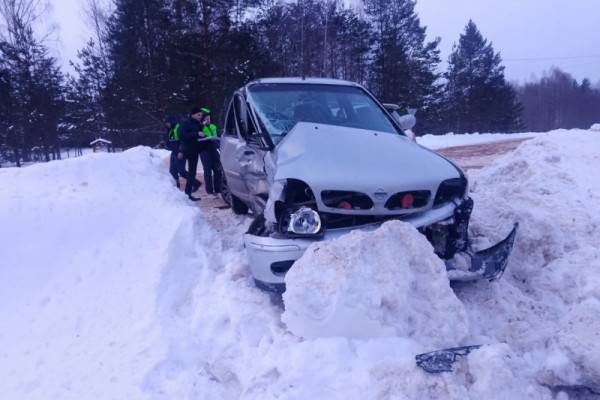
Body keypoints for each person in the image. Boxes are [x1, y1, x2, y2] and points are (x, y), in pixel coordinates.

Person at [165, 115, 200, 190]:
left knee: (182, 171)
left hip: (180, 152)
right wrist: (164, 144)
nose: (167, 125)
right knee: (172, 171)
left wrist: (181, 151)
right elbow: (171, 141)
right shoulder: (171, 129)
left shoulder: (179, 128)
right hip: (174, 152)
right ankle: (175, 187)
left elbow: (183, 141)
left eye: (168, 123)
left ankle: (196, 183)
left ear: (172, 121)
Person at [179, 107, 205, 201]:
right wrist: (196, 134)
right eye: (199, 115)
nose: (200, 116)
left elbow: (198, 135)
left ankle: (188, 194)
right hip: (186, 150)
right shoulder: (187, 123)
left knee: (192, 172)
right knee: (182, 170)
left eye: (201, 115)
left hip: (195, 150)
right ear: (193, 114)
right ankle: (187, 193)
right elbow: (182, 135)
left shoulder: (198, 123)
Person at [198, 108, 222, 197]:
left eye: (209, 119)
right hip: (204, 151)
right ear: (202, 120)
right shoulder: (200, 127)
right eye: (206, 119)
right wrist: (201, 126)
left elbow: (218, 136)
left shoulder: (213, 126)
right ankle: (209, 191)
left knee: (217, 170)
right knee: (207, 170)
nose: (208, 120)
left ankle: (218, 189)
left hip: (214, 150)